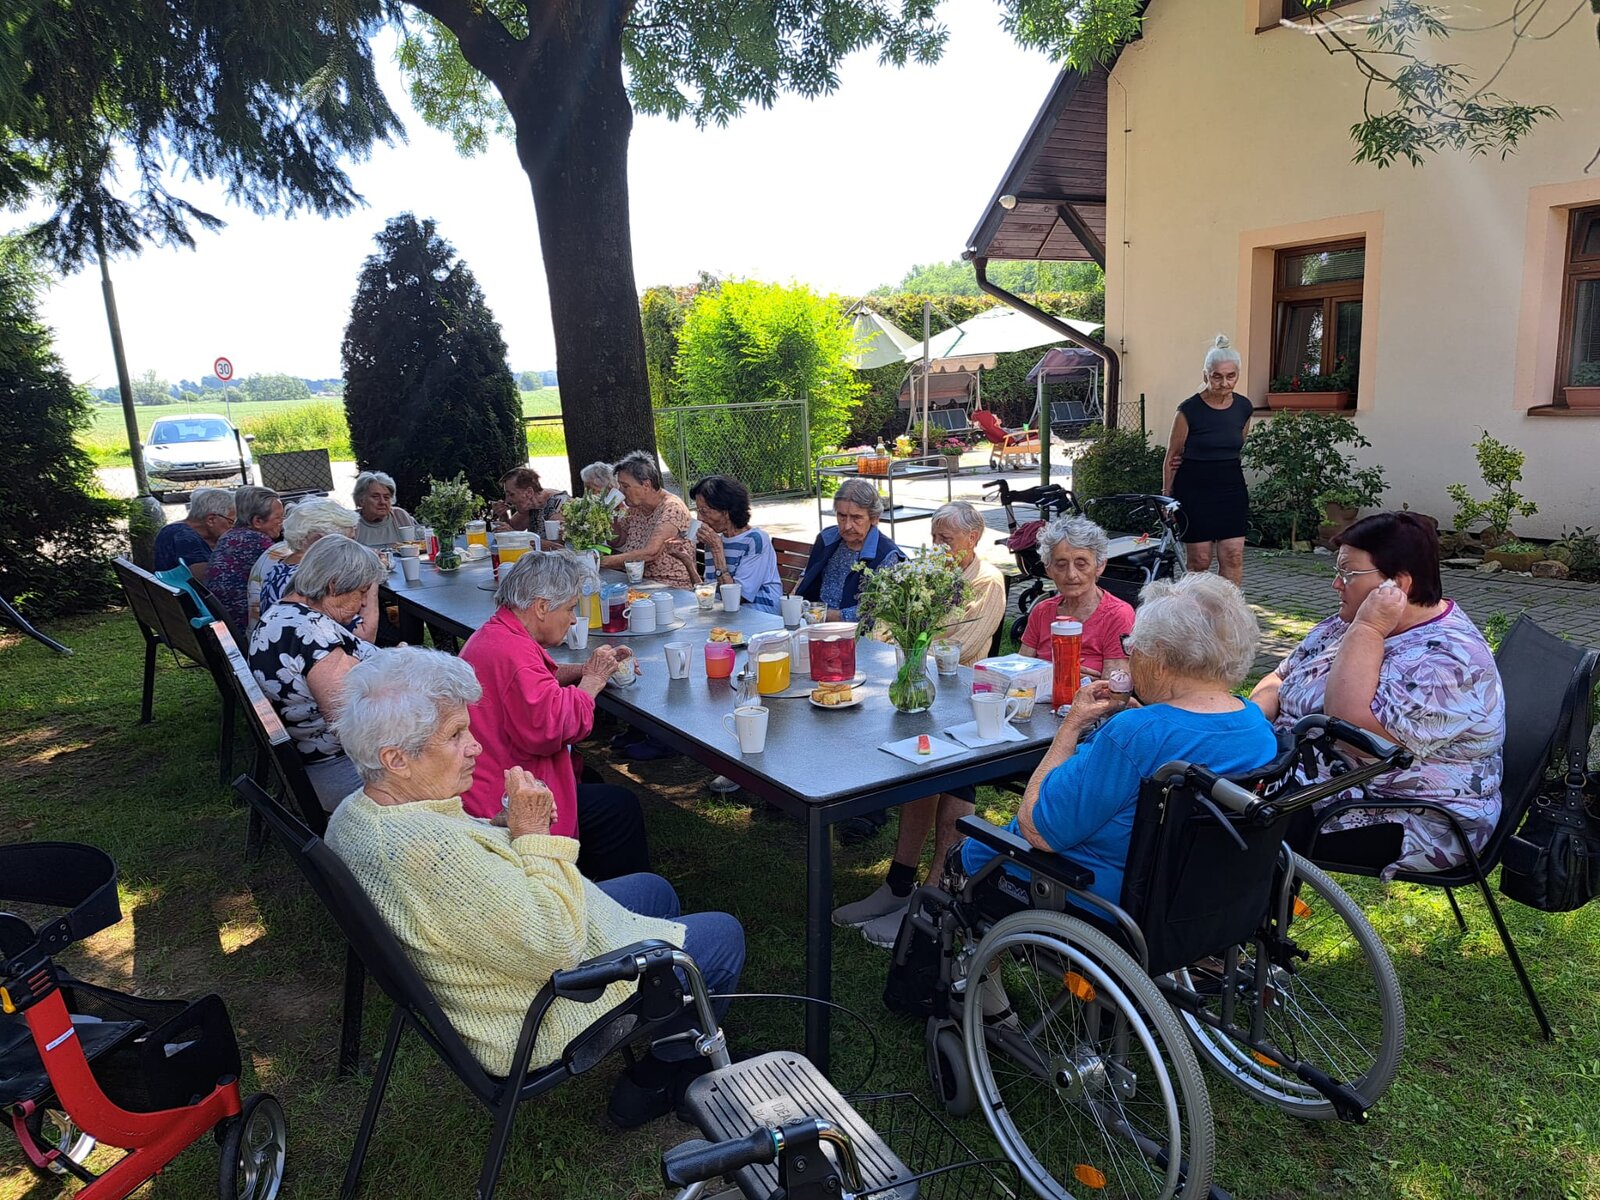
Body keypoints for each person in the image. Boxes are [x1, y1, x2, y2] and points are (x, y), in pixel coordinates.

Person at [326, 646, 746, 1127]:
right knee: (722, 935)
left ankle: (666, 1020)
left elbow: (462, 875)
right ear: (396, 758)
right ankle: (658, 1078)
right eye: (456, 735)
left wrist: (501, 827)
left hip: (500, 962)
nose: (475, 747)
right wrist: (533, 837)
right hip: (530, 1010)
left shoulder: (359, 813)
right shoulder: (430, 853)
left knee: (654, 890)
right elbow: (557, 947)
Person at [960, 573, 1278, 910]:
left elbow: (1038, 830)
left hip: (1098, 894)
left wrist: (1071, 725)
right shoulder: (1256, 724)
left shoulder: (1135, 733)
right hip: (1200, 895)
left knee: (970, 852)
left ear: (1159, 660)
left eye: (1133, 646)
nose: (1130, 656)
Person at [1250, 511, 1505, 878]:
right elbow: (1279, 677)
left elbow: (1348, 730)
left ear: (1397, 586)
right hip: (1312, 779)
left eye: (1348, 574)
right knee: (1198, 782)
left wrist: (1368, 629)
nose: (1336, 585)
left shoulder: (1450, 662)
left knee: (1217, 819)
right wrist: (1252, 727)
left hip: (1403, 815)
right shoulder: (1350, 621)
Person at [833, 501, 1010, 945]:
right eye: (934, 538)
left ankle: (935, 899)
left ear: (973, 538)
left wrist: (912, 639)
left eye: (945, 539)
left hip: (963, 699)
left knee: (953, 779)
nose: (936, 546)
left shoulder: (987, 580)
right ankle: (898, 885)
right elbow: (885, 628)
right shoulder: (932, 574)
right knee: (916, 771)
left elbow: (961, 645)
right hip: (923, 690)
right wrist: (910, 636)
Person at [458, 550, 651, 882]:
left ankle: (587, 881)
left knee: (603, 792)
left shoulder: (498, 634)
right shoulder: (513, 653)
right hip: (503, 802)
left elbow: (539, 679)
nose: (574, 619)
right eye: (571, 608)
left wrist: (584, 669)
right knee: (619, 808)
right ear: (542, 607)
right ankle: (605, 898)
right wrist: (592, 680)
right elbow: (553, 727)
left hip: (487, 781)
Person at [249, 537, 386, 810]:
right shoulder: (315, 637)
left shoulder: (283, 613)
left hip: (319, 760)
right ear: (334, 585)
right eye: (361, 592)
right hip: (342, 771)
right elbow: (350, 727)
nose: (363, 603)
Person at [1163, 334, 1255, 587]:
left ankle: (1229, 608)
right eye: (1217, 376)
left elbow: (1236, 446)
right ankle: (1195, 610)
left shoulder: (1244, 407)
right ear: (1205, 376)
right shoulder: (1188, 410)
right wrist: (1167, 497)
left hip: (1231, 489)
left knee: (1233, 555)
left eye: (1231, 376)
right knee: (1200, 560)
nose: (1224, 383)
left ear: (1238, 375)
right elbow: (1172, 456)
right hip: (1194, 490)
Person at [1019, 515, 1135, 679]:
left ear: (1099, 566)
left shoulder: (1117, 615)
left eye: (1081, 564)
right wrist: (1061, 673)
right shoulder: (1041, 611)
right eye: (1061, 565)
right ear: (1048, 569)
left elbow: (1115, 685)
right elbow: (1019, 672)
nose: (1071, 574)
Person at [668, 475, 783, 613]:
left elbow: (736, 599)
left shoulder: (755, 540)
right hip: (725, 613)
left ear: (726, 511)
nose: (699, 518)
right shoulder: (714, 540)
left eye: (704, 511)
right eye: (698, 511)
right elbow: (708, 595)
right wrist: (687, 562)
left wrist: (717, 549)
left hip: (760, 614)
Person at [794, 479, 905, 621]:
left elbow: (878, 611)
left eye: (856, 517)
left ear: (874, 518)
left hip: (854, 631)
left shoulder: (887, 555)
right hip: (813, 622)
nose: (847, 526)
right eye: (841, 516)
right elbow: (808, 574)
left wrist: (825, 615)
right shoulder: (827, 538)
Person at [255, 499, 369, 634]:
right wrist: (371, 576)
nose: (353, 549)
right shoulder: (310, 580)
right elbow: (364, 634)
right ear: (318, 540)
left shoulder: (279, 569)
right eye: (347, 543)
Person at [601, 452, 693, 587]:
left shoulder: (672, 508)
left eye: (625, 486)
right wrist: (611, 513)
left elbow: (651, 553)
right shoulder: (636, 507)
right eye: (620, 486)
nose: (621, 491)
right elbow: (616, 540)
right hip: (639, 582)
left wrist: (602, 561)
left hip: (669, 585)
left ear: (646, 485)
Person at [206, 485, 284, 631]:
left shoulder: (230, 535)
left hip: (224, 623)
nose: (282, 523)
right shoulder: (259, 542)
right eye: (278, 518)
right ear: (257, 521)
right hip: (243, 626)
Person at [153, 488, 234, 579]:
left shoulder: (180, 530)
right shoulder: (182, 535)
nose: (234, 528)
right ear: (211, 520)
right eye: (231, 522)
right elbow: (207, 579)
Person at [493, 467, 570, 534]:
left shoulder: (560, 505)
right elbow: (512, 528)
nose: (507, 500)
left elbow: (557, 544)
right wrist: (503, 515)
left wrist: (514, 534)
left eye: (511, 494)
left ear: (529, 492)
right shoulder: (530, 504)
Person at [352, 471, 416, 546]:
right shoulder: (352, 523)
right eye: (375, 497)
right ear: (361, 500)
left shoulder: (400, 516)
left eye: (386, 497)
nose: (382, 502)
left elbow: (420, 544)